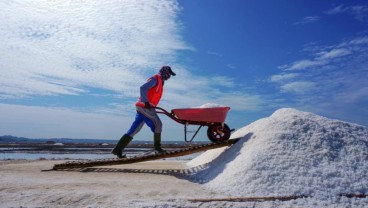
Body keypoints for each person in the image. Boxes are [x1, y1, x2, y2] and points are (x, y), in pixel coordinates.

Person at [111, 66, 176, 158]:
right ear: (165, 72)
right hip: (145, 107)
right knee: (158, 124)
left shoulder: (160, 82)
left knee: (135, 129)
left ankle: (117, 150)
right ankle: (157, 148)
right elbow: (143, 88)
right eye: (169, 74)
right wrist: (145, 102)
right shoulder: (156, 78)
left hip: (143, 106)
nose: (169, 76)